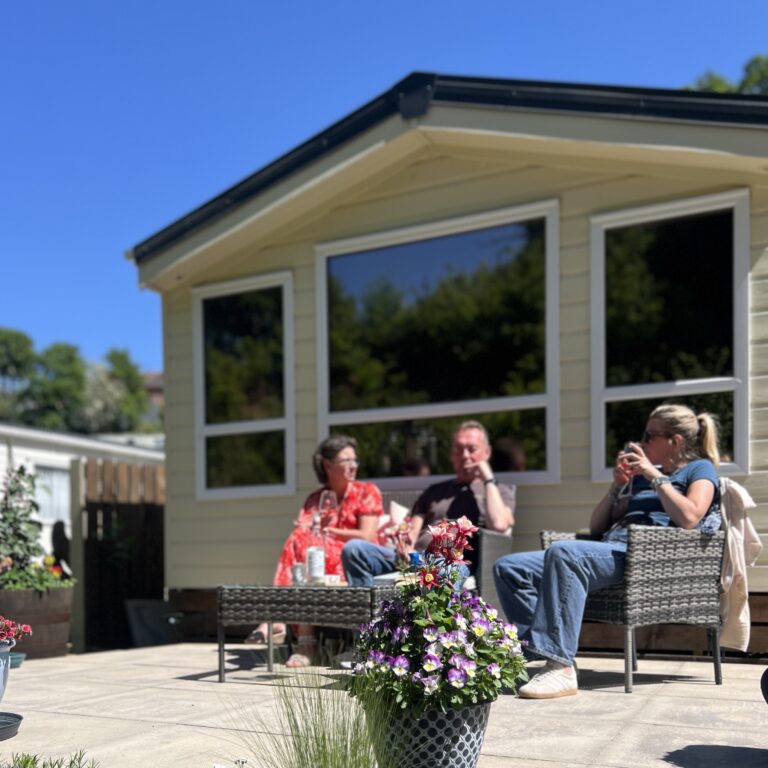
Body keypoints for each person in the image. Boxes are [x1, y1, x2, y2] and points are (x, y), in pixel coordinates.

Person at [493, 404, 722, 699]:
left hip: (644, 556)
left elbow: (690, 517)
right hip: (610, 547)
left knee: (564, 553)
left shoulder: (699, 469)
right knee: (510, 567)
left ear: (675, 441)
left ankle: (560, 667)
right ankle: (539, 650)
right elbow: (597, 526)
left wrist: (655, 476)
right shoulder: (641, 479)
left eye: (649, 435)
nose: (642, 441)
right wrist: (616, 487)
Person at [246, 434, 384, 667]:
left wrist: (331, 531)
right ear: (328, 465)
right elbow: (305, 531)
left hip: (353, 559)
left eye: (355, 461)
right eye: (346, 461)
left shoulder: (366, 491)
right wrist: (318, 533)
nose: (353, 466)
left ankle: (286, 628)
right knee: (299, 541)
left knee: (304, 543)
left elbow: (367, 537)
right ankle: (295, 634)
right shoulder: (315, 499)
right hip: (317, 564)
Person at [342, 420, 515, 585]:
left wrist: (488, 479)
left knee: (444, 566)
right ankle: (370, 610)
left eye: (472, 449)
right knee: (354, 550)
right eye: (459, 449)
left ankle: (431, 614)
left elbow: (499, 525)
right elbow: (412, 530)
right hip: (415, 559)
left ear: (487, 452)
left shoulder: (498, 491)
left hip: (451, 562)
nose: (465, 456)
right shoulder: (435, 491)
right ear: (452, 455)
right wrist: (406, 545)